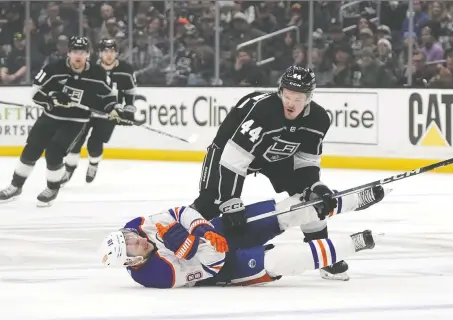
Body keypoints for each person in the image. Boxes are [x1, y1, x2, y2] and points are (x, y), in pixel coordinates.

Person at [190, 65, 385, 281]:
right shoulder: (264, 111)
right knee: (211, 202)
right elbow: (235, 158)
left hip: (274, 156)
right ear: (280, 91)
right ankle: (175, 232)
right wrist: (230, 200)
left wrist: (314, 186)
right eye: (287, 95)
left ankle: (323, 255)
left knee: (310, 199)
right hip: (228, 151)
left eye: (298, 98)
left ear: (309, 98)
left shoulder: (319, 119)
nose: (291, 103)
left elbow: (306, 160)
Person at [99, 189, 383, 289]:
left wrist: (202, 229)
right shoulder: (156, 275)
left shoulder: (135, 227)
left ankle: (355, 199)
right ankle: (355, 243)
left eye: (129, 236)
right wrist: (193, 240)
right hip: (223, 267)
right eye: (132, 244)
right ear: (133, 261)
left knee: (284, 210)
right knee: (282, 259)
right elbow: (210, 264)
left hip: (213, 231)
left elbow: (179, 212)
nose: (135, 237)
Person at [0, 36, 131, 207]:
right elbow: (36, 93)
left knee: (54, 151)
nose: (78, 56)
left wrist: (115, 109)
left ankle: (52, 188)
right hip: (50, 117)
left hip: (76, 121)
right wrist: (52, 98)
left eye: (82, 52)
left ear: (88, 54)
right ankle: (15, 186)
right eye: (75, 51)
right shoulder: (54, 68)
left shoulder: (98, 74)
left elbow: (108, 98)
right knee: (31, 148)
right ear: (69, 53)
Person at [61, 38, 138, 184]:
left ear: (117, 53)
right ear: (99, 53)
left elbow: (130, 92)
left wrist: (128, 109)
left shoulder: (126, 70)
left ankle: (93, 164)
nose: (108, 54)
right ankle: (69, 168)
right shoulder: (91, 68)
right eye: (105, 51)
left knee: (95, 143)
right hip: (87, 110)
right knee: (76, 140)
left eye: (112, 51)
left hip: (110, 113)